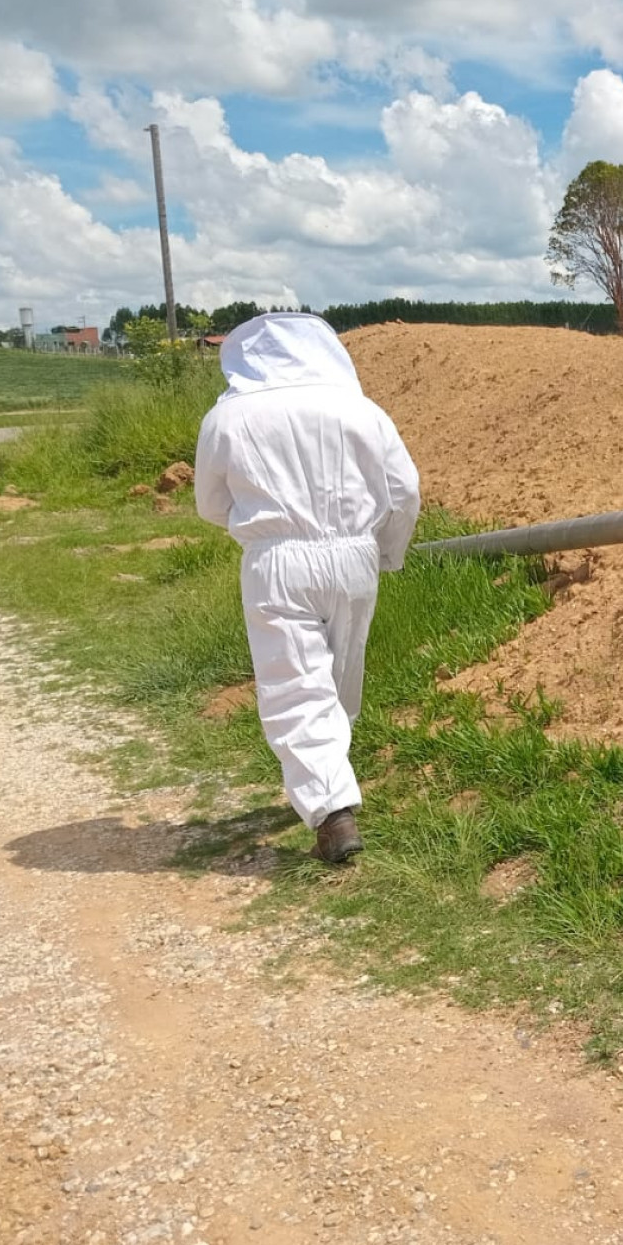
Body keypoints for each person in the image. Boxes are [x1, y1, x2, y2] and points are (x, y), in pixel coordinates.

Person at [194, 313, 421, 863]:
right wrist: (387, 551)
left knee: (295, 682)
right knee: (339, 674)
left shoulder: (227, 417)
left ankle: (331, 810)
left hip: (277, 561)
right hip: (355, 556)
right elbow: (404, 489)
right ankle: (326, 783)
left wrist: (259, 529)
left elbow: (210, 503)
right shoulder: (361, 411)